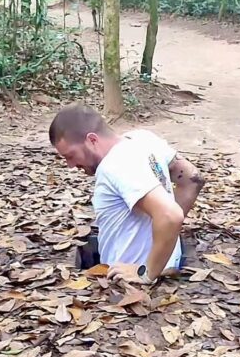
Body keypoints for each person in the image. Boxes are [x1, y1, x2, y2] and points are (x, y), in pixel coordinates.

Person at [49, 103, 205, 285]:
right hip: (169, 265)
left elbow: (170, 216)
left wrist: (146, 272)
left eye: (70, 155)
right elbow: (192, 178)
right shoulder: (142, 139)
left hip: (131, 281)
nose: (70, 165)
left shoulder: (115, 165)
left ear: (92, 140)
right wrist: (164, 234)